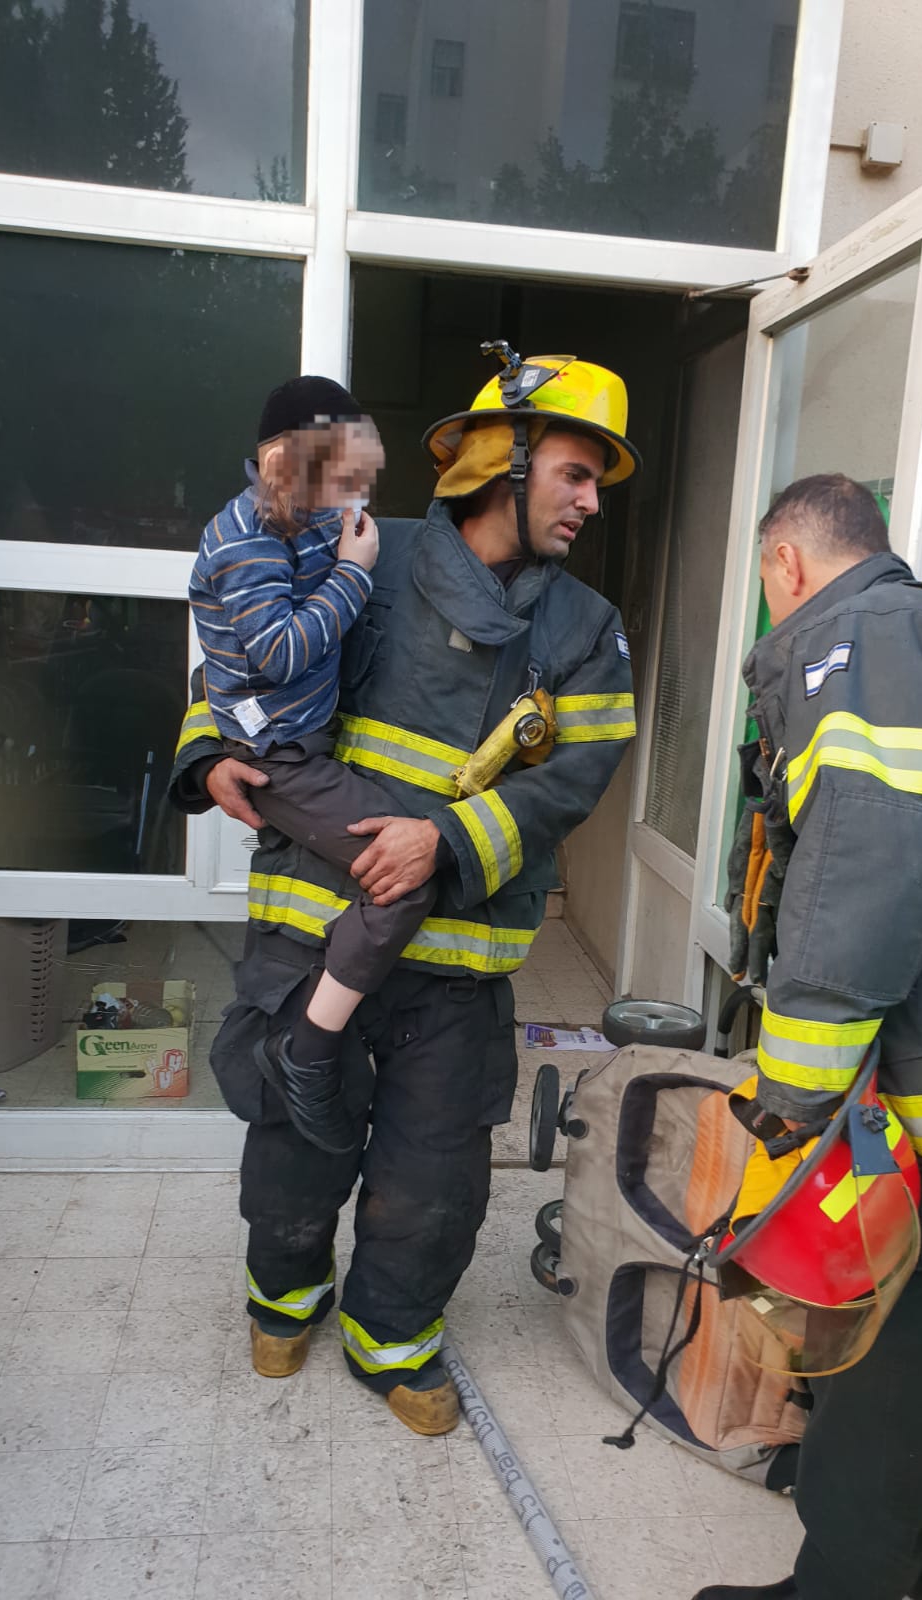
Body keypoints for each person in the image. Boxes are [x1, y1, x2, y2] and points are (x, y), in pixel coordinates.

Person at [170, 345, 640, 1435]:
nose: (589, 502)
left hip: (459, 962)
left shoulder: (587, 633)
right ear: (502, 460)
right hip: (314, 929)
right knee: (295, 1142)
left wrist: (445, 839)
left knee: (431, 1173)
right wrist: (208, 755)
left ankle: (393, 1342)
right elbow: (235, 661)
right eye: (574, 472)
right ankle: (282, 1299)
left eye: (599, 485)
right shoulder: (362, 553)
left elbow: (578, 780)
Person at [693, 473, 922, 1600]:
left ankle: (845, 1587)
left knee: (877, 1373)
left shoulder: (861, 641)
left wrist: (793, 1092)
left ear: (784, 566)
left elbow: (865, 880)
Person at [189, 376, 440, 1156]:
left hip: (301, 744)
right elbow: (280, 649)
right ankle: (307, 1044)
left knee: (396, 864)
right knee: (406, 879)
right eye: (342, 467)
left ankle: (312, 1035)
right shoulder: (243, 540)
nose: (356, 487)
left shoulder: (300, 521)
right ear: (289, 460)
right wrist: (355, 571)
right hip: (282, 757)